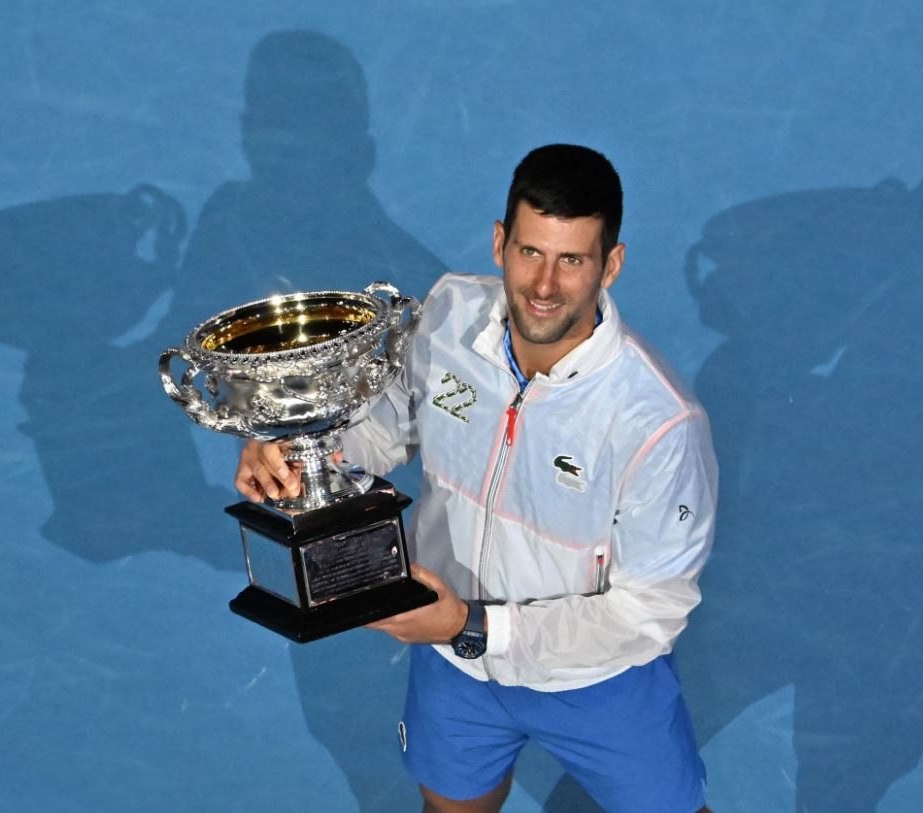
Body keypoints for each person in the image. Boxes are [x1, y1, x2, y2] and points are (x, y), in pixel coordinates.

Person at [235, 144, 717, 812]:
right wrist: (302, 453)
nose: (543, 285)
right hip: (454, 665)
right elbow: (385, 428)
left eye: (572, 260)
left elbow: (650, 610)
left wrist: (477, 625)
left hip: (597, 680)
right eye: (530, 252)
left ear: (611, 264)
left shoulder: (658, 422)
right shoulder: (448, 313)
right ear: (499, 243)